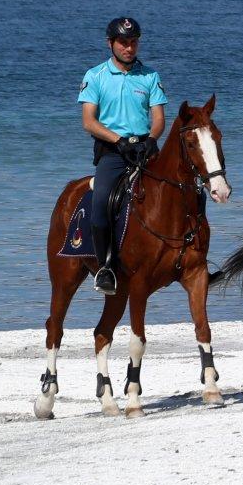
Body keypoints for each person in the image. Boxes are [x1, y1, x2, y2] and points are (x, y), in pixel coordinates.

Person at [77, 17, 168, 294]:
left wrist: (152, 139)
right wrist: (119, 140)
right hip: (113, 152)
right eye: (123, 43)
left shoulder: (150, 76)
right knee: (101, 201)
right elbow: (88, 121)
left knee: (187, 186)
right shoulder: (95, 76)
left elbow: (159, 118)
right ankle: (105, 267)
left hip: (145, 149)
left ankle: (192, 256)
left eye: (133, 42)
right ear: (110, 44)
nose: (129, 48)